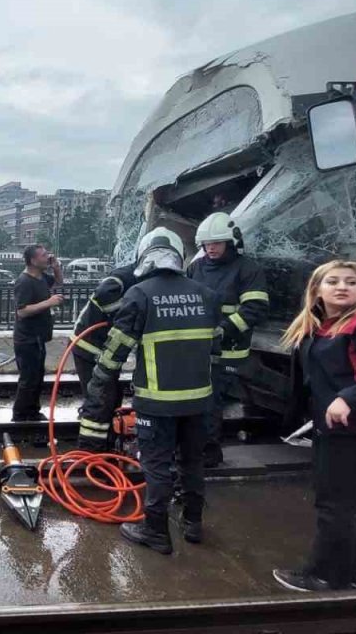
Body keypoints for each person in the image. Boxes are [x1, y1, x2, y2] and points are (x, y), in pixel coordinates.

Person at [80, 227, 219, 555]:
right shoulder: (207, 294)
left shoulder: (140, 294)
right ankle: (193, 523)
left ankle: (155, 529)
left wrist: (97, 392)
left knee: (156, 465)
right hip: (200, 399)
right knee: (192, 461)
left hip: (157, 402)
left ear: (144, 256)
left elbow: (115, 352)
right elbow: (215, 347)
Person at [272, 260, 356, 592]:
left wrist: (349, 398)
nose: (342, 287)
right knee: (344, 502)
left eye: (351, 282)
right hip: (332, 427)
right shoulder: (321, 325)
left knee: (332, 503)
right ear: (317, 289)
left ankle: (325, 576)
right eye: (333, 281)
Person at [188, 211, 269, 467]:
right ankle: (193, 449)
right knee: (194, 400)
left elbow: (255, 308)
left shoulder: (248, 269)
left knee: (211, 402)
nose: (211, 248)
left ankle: (209, 454)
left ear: (231, 242)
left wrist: (223, 330)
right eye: (207, 244)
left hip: (227, 351)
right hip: (197, 348)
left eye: (217, 243)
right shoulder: (195, 267)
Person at [72, 259, 140, 452]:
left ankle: (108, 441)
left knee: (112, 396)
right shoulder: (124, 277)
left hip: (107, 350)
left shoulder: (137, 276)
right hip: (89, 347)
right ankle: (93, 450)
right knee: (100, 398)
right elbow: (103, 294)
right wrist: (125, 315)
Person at [12, 244, 64, 422]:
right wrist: (49, 302)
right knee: (28, 379)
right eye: (43, 255)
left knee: (38, 377)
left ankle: (33, 411)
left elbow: (58, 281)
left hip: (39, 338)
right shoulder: (24, 281)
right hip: (26, 339)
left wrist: (56, 267)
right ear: (33, 261)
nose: (47, 257)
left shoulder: (41, 277)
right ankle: (19, 415)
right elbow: (22, 311)